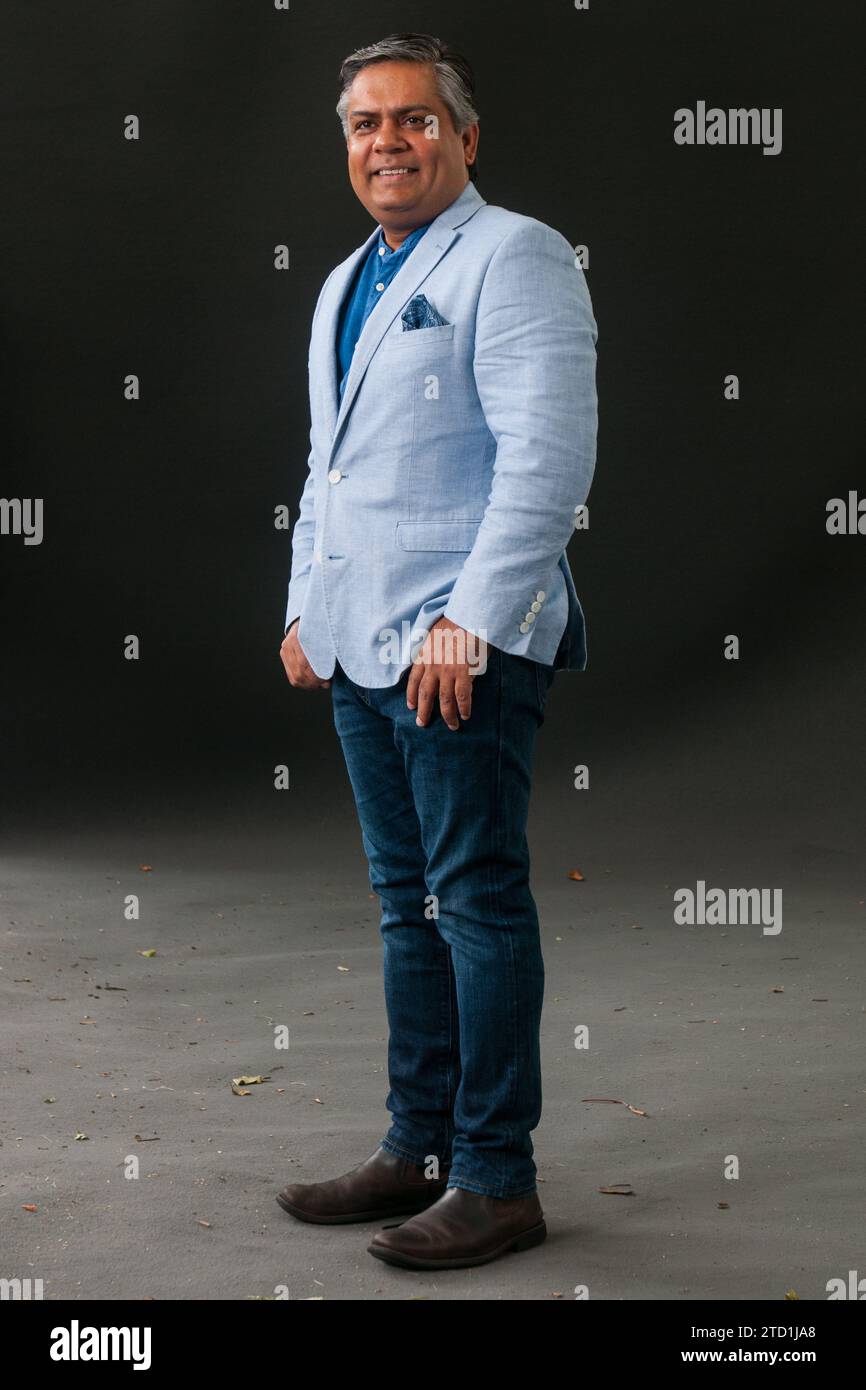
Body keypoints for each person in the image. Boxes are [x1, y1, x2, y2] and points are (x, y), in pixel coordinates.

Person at [277, 31, 598, 1271]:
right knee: (405, 907)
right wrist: (303, 604)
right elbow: (332, 467)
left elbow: (545, 461)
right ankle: (413, 1148)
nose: (387, 143)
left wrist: (469, 619)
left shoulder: (513, 257)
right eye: (365, 123)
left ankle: (494, 1177)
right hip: (359, 647)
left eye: (414, 120)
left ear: (464, 138)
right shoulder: (347, 276)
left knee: (471, 902)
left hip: (459, 647)